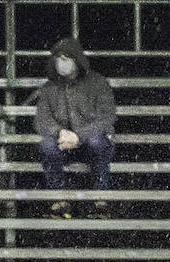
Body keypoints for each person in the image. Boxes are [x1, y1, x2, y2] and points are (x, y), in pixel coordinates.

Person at [34, 37, 116, 219]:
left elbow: (106, 118)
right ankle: (59, 200)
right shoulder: (49, 88)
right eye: (58, 59)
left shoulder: (98, 83)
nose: (61, 63)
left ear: (76, 60)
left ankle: (100, 200)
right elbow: (42, 120)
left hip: (90, 143)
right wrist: (60, 132)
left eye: (66, 58)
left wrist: (79, 136)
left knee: (97, 144)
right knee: (47, 146)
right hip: (63, 144)